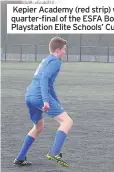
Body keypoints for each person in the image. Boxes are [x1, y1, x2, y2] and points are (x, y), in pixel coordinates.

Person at [13, 37, 73, 167]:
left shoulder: (46, 60)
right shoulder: (55, 61)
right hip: (39, 95)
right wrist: (46, 100)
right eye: (64, 50)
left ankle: (20, 158)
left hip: (30, 94)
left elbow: (49, 85)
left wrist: (56, 101)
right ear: (58, 50)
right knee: (67, 121)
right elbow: (44, 79)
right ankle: (54, 152)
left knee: (38, 127)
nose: (65, 52)